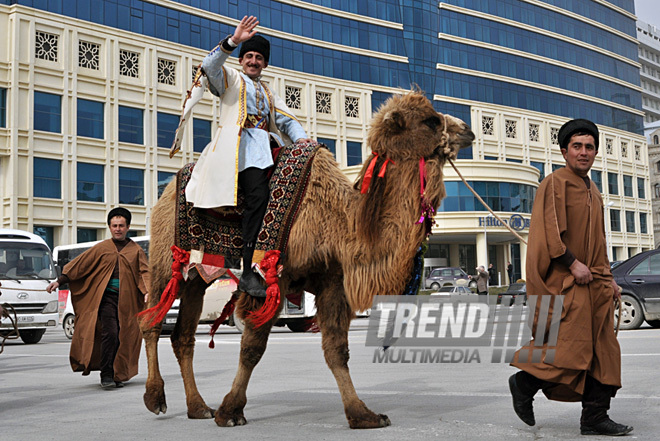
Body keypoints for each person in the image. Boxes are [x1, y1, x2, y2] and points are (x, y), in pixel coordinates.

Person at [508, 119, 632, 436]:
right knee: (566, 350)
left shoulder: (594, 191)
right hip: (566, 284)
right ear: (564, 151)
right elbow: (550, 232)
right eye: (577, 146)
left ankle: (594, 417)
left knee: (604, 352)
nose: (584, 152)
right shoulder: (555, 183)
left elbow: (600, 243)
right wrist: (572, 262)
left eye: (589, 147)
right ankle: (524, 382)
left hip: (597, 286)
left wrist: (611, 279)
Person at [183, 15, 312, 298]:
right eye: (249, 56)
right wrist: (233, 41)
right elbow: (208, 66)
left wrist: (302, 140)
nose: (253, 61)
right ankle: (248, 268)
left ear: (265, 64)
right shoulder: (231, 79)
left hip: (264, 149)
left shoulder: (268, 90)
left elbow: (287, 119)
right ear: (242, 60)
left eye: (258, 58)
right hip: (237, 153)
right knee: (258, 197)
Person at [46, 208, 149, 389]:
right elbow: (80, 265)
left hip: (127, 302)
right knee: (110, 332)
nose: (118, 229)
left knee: (125, 335)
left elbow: (144, 272)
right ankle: (106, 375)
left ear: (128, 227)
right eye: (114, 225)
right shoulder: (102, 248)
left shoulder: (136, 250)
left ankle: (117, 373)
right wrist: (60, 281)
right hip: (105, 299)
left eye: (121, 226)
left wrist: (148, 291)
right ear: (109, 227)